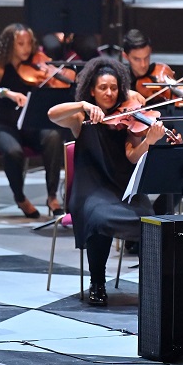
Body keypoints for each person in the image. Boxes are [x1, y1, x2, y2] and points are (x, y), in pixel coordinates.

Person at [48, 57, 166, 306]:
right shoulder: (81, 119)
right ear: (92, 89)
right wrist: (81, 104)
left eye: (114, 87)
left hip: (123, 186)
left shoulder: (129, 116)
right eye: (103, 88)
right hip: (91, 188)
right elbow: (52, 114)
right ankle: (97, 282)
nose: (109, 93)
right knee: (99, 217)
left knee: (149, 219)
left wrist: (149, 141)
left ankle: (151, 284)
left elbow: (134, 157)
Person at [0, 23, 65, 218]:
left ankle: (52, 196)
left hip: (31, 124)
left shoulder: (37, 62)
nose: (26, 48)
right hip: (3, 125)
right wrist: (6, 92)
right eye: (20, 43)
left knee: (53, 136)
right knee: (13, 151)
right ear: (10, 44)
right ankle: (20, 198)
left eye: (28, 43)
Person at [123, 29, 183, 105]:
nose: (143, 64)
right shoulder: (121, 79)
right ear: (125, 56)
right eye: (137, 59)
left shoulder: (161, 70)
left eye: (146, 58)